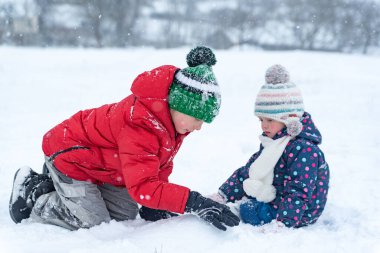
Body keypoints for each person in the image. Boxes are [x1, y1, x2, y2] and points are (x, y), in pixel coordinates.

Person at [9, 46, 240, 231]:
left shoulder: (171, 122)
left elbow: (158, 164)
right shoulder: (141, 123)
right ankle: (35, 194)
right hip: (70, 155)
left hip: (102, 166)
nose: (199, 128)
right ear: (179, 106)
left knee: (124, 215)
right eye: (197, 119)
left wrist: (155, 203)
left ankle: (63, 188)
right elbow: (142, 186)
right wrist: (193, 202)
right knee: (93, 222)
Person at [215, 65, 329, 228]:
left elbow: (299, 190)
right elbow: (250, 170)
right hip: (280, 196)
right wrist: (224, 194)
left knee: (248, 211)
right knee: (250, 192)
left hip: (302, 210)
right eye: (261, 120)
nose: (264, 126)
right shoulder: (275, 141)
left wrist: (283, 223)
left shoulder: (305, 150)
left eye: (269, 120)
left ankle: (265, 212)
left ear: (290, 119)